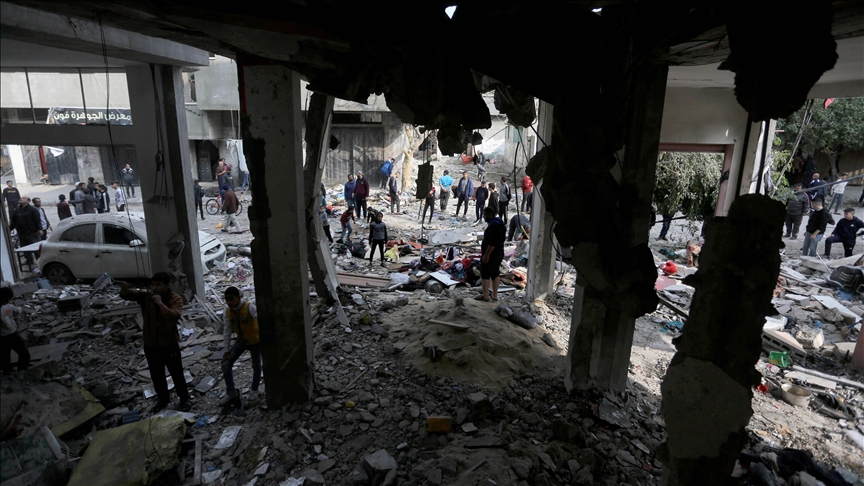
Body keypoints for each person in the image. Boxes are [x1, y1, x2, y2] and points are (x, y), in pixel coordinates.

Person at [118, 274, 189, 412]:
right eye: (152, 284)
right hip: (151, 344)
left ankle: (184, 398)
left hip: (169, 344)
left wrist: (160, 304)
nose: (154, 288)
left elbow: (174, 316)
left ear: (167, 285)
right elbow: (129, 295)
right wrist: (124, 289)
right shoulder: (147, 296)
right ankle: (163, 399)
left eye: (158, 285)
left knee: (177, 374)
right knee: (157, 375)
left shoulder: (175, 298)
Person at [219, 286, 262, 404]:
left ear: (238, 297)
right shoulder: (228, 311)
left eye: (231, 299)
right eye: (226, 300)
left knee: (256, 365)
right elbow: (227, 331)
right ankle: (232, 393)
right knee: (225, 364)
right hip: (241, 341)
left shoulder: (249, 307)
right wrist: (226, 351)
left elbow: (261, 321)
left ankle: (254, 389)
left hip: (255, 341)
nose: (229, 302)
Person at [478, 207, 506, 302]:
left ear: (490, 215)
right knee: (495, 273)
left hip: (491, 254)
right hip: (499, 252)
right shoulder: (500, 223)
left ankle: (485, 296)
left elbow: (492, 243)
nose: (484, 217)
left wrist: (486, 255)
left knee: (485, 274)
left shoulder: (493, 226)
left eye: (485, 215)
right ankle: (495, 295)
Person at [1, 286, 30, 373]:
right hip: (2, 337)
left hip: (12, 334)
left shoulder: (7, 306)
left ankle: (21, 371)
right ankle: (9, 374)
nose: (7, 301)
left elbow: (18, 311)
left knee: (24, 353)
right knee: (5, 359)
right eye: (5, 299)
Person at [10, 197, 42, 266]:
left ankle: (40, 261)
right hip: (21, 233)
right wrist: (9, 229)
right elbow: (13, 221)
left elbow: (37, 220)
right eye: (21, 198)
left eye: (24, 198)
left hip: (32, 233)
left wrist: (40, 229)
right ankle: (29, 260)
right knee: (24, 247)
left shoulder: (32, 209)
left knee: (36, 248)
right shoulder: (17, 210)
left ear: (28, 201)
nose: (21, 199)